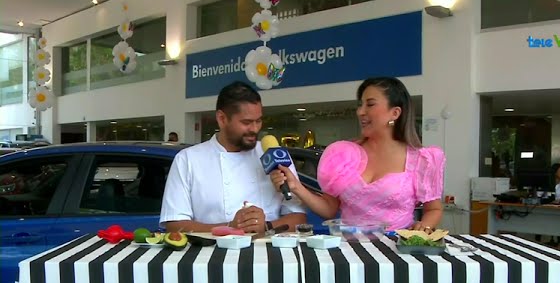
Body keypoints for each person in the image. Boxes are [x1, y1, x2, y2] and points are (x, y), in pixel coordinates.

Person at [269, 76, 446, 232]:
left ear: (395, 112)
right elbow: (329, 209)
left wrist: (425, 227)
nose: (360, 111)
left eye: (370, 104)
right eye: (360, 105)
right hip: (349, 253)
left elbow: (433, 209)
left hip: (395, 255)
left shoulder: (422, 160)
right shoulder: (343, 155)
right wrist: (296, 187)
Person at [160, 81, 307, 234]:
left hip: (268, 254)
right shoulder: (188, 160)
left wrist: (266, 226)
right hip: (210, 254)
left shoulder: (274, 155)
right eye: (246, 122)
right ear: (222, 119)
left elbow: (298, 218)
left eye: (258, 121)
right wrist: (230, 227)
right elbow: (175, 225)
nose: (255, 129)